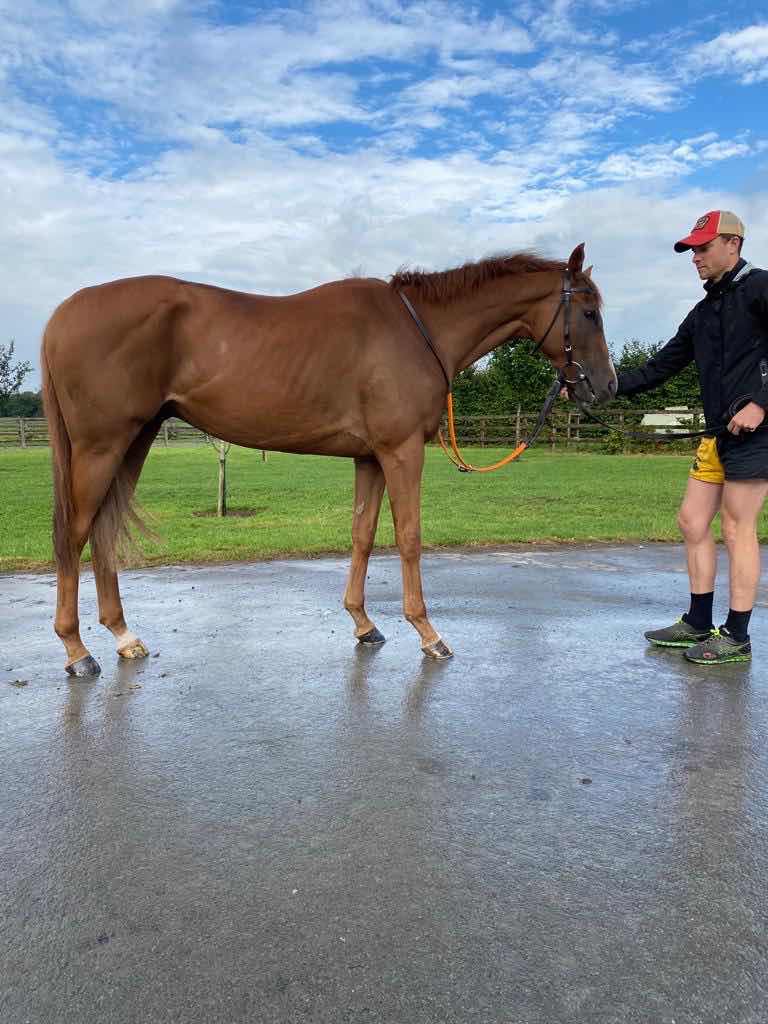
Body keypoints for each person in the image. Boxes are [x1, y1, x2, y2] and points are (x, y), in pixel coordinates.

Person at [615, 210, 768, 664]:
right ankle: (698, 621)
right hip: (718, 434)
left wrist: (761, 403)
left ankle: (736, 635)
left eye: (703, 247)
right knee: (692, 521)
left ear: (732, 245)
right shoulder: (702, 313)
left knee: (737, 528)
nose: (695, 257)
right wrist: (598, 385)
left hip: (758, 433)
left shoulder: (760, 288)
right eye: (692, 250)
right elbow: (658, 368)